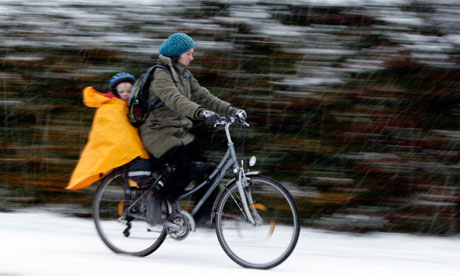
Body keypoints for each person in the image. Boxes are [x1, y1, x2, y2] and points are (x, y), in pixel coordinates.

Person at [140, 33, 247, 226]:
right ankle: (156, 199)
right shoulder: (161, 74)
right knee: (186, 168)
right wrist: (200, 113)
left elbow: (205, 97)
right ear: (176, 54)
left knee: (210, 171)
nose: (192, 57)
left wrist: (231, 110)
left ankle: (202, 216)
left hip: (179, 133)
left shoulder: (185, 76)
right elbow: (175, 99)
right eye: (188, 53)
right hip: (158, 133)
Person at [67, 73, 150, 191]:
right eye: (122, 92)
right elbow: (112, 127)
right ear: (115, 92)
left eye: (129, 91)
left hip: (122, 140)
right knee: (138, 152)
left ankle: (140, 187)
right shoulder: (111, 105)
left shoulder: (129, 105)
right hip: (118, 142)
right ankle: (139, 184)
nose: (125, 94)